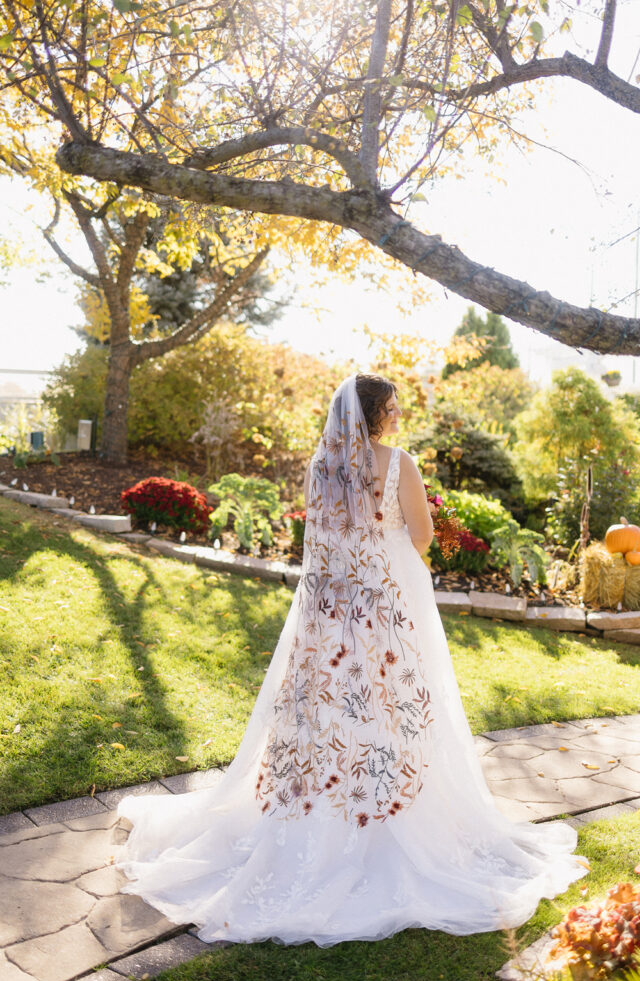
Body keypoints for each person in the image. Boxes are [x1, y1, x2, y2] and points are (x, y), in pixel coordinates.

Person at [117, 373, 586, 946]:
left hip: (329, 605)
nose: (397, 414)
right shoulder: (398, 464)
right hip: (384, 601)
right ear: (371, 415)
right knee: (389, 701)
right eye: (391, 407)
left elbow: (319, 539)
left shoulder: (322, 466)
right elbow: (422, 534)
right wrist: (383, 561)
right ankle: (383, 814)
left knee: (329, 705)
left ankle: (321, 805)